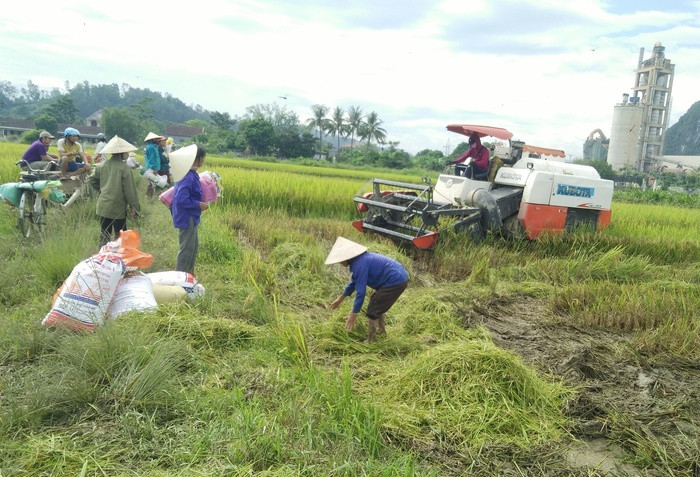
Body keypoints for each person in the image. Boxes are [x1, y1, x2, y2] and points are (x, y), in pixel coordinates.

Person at [326, 237, 409, 343]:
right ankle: (381, 330)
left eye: (339, 260)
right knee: (377, 302)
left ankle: (371, 339)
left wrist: (353, 314)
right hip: (397, 276)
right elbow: (353, 282)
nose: (340, 263)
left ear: (346, 257)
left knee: (374, 308)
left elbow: (361, 293)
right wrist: (340, 299)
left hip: (396, 280)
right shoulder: (359, 261)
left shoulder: (359, 264)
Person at [88, 136, 141, 248]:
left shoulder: (102, 165)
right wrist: (135, 207)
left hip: (103, 205)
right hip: (117, 207)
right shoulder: (124, 168)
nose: (127, 153)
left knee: (104, 233)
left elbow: (91, 179)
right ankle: (119, 258)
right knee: (120, 235)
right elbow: (130, 191)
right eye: (126, 151)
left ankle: (102, 256)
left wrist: (102, 189)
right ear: (121, 152)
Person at [169, 144, 209, 274]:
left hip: (189, 216)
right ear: (196, 159)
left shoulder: (189, 174)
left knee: (193, 247)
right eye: (202, 158)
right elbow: (181, 199)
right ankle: (181, 276)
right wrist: (198, 204)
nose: (203, 161)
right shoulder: (188, 177)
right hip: (187, 217)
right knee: (186, 248)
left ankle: (188, 274)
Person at [143, 131, 167, 198]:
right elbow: (151, 159)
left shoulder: (153, 147)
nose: (157, 140)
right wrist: (154, 169)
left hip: (154, 168)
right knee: (151, 182)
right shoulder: (151, 147)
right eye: (156, 139)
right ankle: (149, 196)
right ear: (152, 139)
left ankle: (151, 196)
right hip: (152, 168)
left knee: (153, 182)